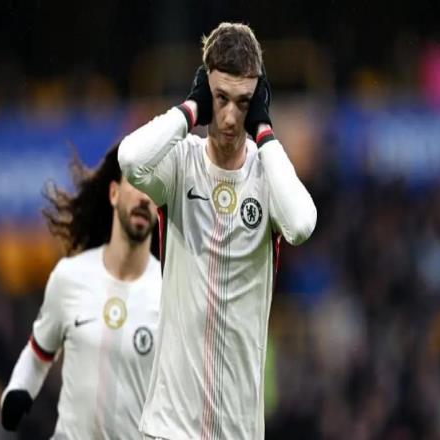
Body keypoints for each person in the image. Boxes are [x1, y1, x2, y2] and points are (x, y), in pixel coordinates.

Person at [118, 22, 317, 440]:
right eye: (220, 98)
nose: (229, 117)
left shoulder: (267, 176)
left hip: (239, 430)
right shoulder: (180, 164)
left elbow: (301, 224)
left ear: (258, 101)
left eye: (244, 102)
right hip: (170, 427)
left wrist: (265, 132)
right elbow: (131, 160)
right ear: (206, 91)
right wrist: (190, 109)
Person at [0, 143, 161, 439]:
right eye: (136, 183)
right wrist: (18, 389)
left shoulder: (170, 293)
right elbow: (38, 353)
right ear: (114, 193)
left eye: (152, 189)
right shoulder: (70, 277)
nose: (143, 197)